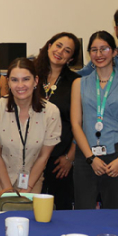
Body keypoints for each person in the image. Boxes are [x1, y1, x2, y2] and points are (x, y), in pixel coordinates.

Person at [71, 31, 118, 210]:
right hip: (86, 156)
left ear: (115, 52)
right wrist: (90, 158)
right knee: (83, 212)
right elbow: (76, 124)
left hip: (116, 155)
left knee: (115, 212)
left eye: (104, 49)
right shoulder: (79, 84)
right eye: (94, 50)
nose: (99, 54)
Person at [0, 58, 62, 197]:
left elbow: (43, 157)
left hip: (32, 174)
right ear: (8, 82)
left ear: (36, 80)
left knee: (27, 214)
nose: (20, 85)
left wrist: (28, 188)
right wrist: (8, 192)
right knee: (3, 211)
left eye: (26, 79)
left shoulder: (51, 112)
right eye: (14, 80)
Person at [33, 33, 82, 210]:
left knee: (60, 212)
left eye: (67, 50)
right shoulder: (31, 76)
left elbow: (79, 123)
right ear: (49, 46)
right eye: (58, 46)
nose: (60, 52)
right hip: (31, 156)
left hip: (60, 161)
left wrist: (70, 157)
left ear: (71, 58)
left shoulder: (75, 82)